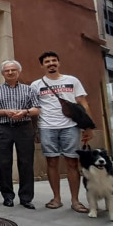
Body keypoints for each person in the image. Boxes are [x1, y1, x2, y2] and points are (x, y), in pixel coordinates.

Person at [31, 51, 94, 212]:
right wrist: (35, 130)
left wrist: (88, 126)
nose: (51, 63)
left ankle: (75, 200)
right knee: (51, 162)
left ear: (59, 63)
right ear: (42, 65)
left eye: (54, 61)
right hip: (47, 127)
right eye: (47, 61)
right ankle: (56, 198)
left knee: (72, 162)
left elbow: (83, 103)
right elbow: (34, 108)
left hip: (70, 126)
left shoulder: (72, 81)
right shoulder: (36, 85)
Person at [0, 60, 40, 209]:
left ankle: (26, 198)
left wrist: (25, 112)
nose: (10, 72)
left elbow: (37, 109)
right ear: (3, 73)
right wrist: (5, 112)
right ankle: (8, 196)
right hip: (2, 128)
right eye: (7, 70)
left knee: (26, 163)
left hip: (24, 127)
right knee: (4, 163)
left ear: (18, 72)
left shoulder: (29, 90)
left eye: (13, 70)